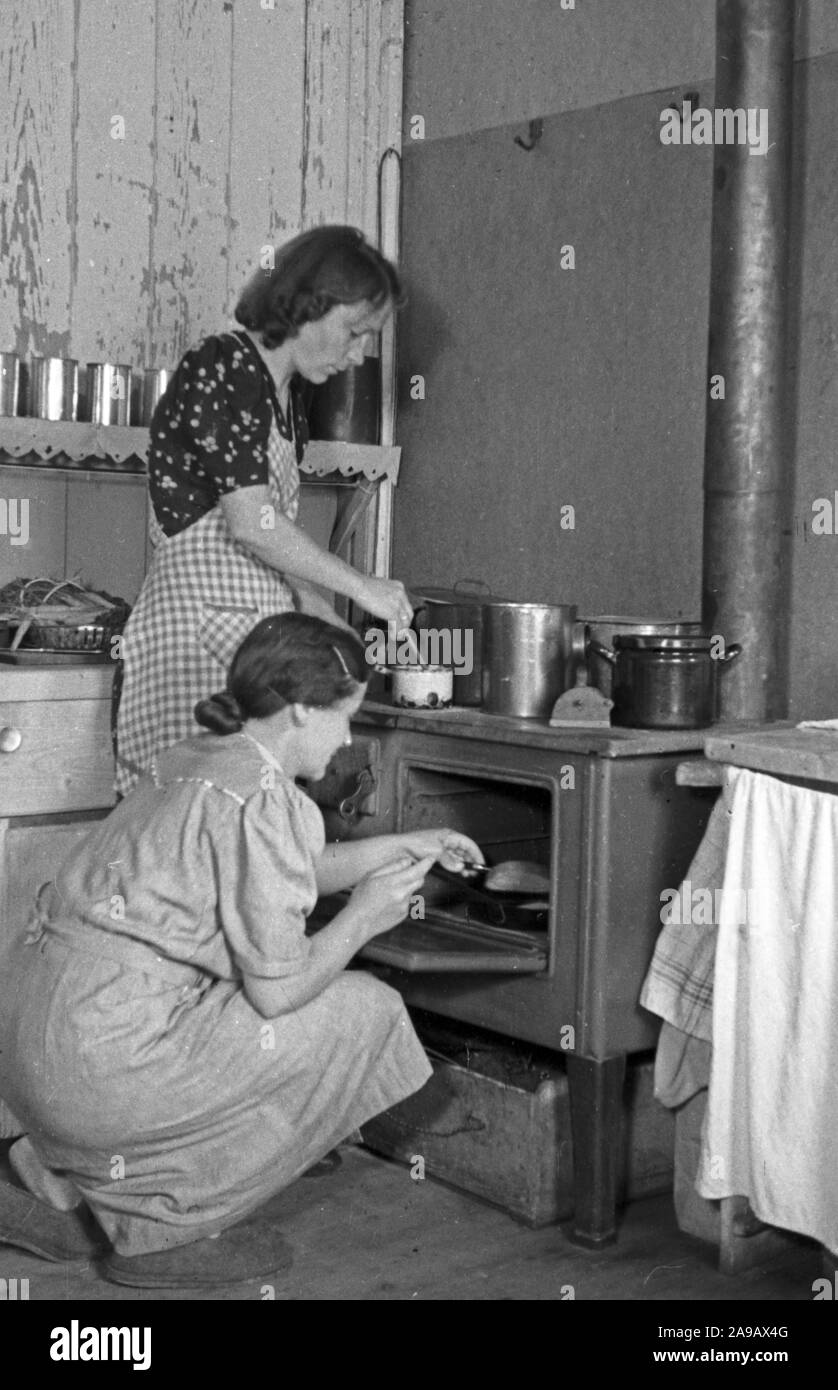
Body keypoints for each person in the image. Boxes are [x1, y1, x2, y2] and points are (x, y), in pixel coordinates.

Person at [0, 613, 483, 1289]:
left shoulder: (204, 756)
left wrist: (409, 845)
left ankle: (46, 1181)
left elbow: (285, 869)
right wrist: (365, 920)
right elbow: (278, 991)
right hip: (98, 1063)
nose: (347, 738)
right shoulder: (266, 799)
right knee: (366, 1011)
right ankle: (167, 1228)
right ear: (294, 712)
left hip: (34, 1047)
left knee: (210, 991)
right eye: (341, 717)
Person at [115, 225, 414, 795]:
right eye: (354, 333)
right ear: (308, 303)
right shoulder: (223, 364)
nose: (356, 357)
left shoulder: (285, 401)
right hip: (191, 648)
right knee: (189, 835)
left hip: (243, 647)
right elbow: (252, 524)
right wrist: (360, 586)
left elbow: (267, 548)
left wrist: (319, 612)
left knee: (240, 838)